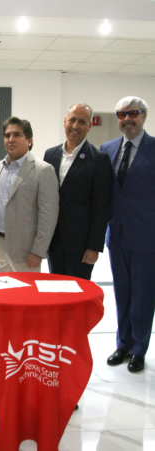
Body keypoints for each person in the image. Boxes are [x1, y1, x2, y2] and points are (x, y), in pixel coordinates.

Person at [101, 96, 155, 373]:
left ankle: (139, 349)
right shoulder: (107, 149)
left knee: (143, 296)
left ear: (144, 116)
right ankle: (122, 344)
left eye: (133, 113)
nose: (127, 119)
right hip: (117, 235)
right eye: (122, 114)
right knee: (122, 293)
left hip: (147, 237)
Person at [44, 103, 112, 280]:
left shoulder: (99, 160)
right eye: (72, 120)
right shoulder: (50, 155)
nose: (75, 126)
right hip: (54, 240)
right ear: (65, 121)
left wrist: (94, 246)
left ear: (90, 126)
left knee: (78, 292)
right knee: (55, 289)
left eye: (82, 122)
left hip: (82, 245)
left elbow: (101, 207)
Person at [0, 116, 59, 271]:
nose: (11, 139)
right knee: (3, 291)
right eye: (7, 135)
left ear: (29, 140)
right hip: (0, 244)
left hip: (27, 251)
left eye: (17, 135)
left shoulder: (43, 170)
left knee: (25, 294)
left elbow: (48, 216)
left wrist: (38, 251)